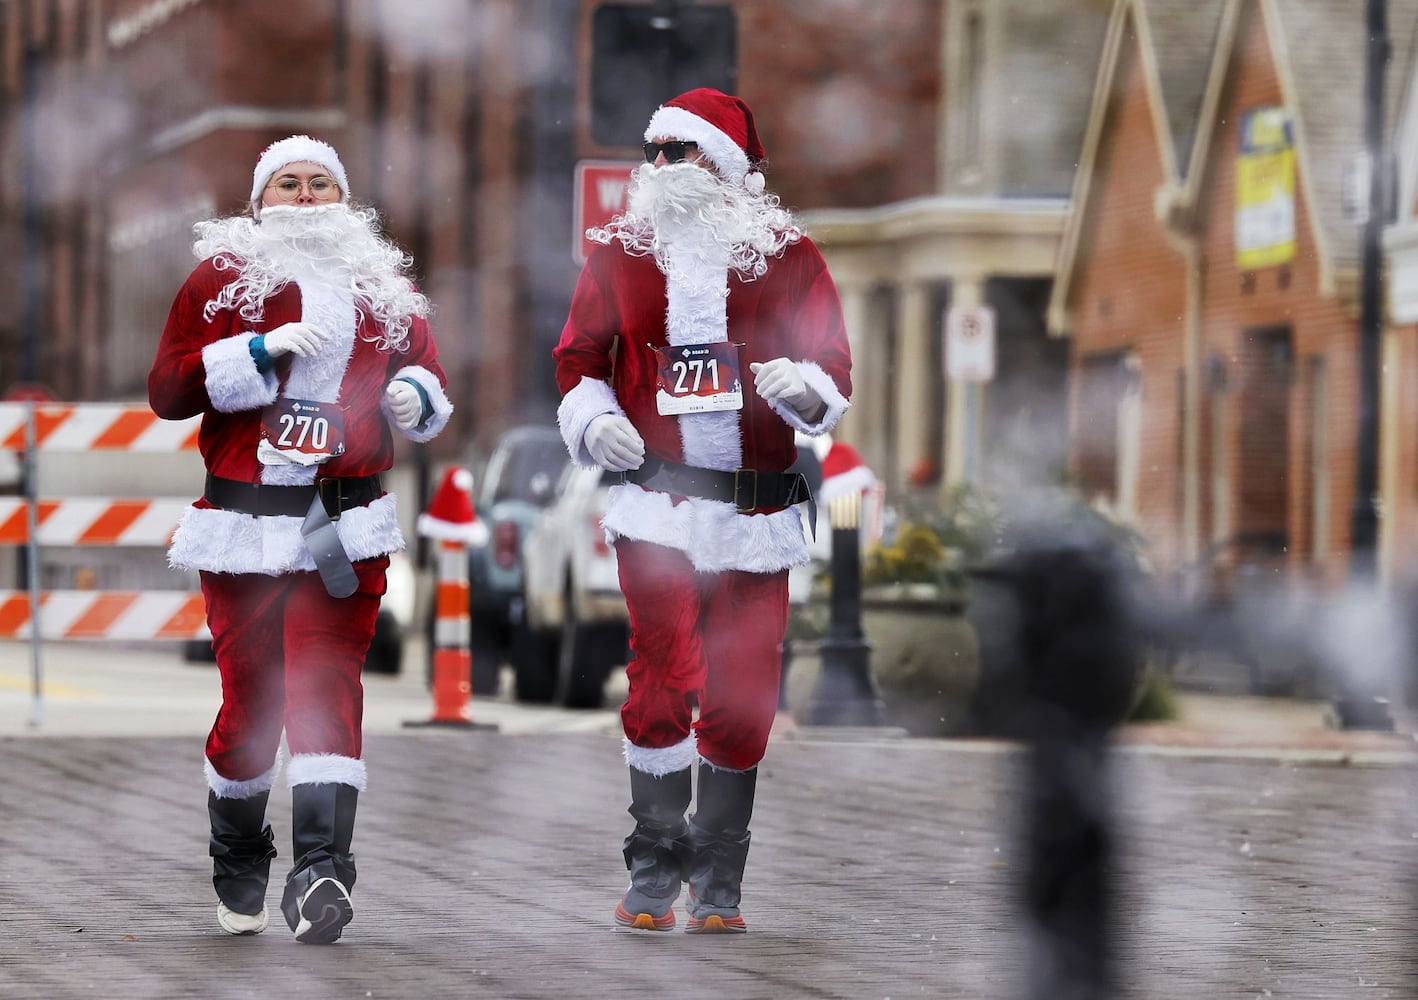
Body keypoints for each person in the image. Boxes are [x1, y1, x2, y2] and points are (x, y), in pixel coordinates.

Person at [553, 88, 852, 933]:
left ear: (725, 164)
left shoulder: (788, 257)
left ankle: (719, 876)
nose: (661, 168)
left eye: (681, 152)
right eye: (654, 152)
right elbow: (577, 358)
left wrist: (809, 388)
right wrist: (596, 418)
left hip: (756, 517)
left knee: (743, 698)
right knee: (662, 677)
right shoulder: (619, 253)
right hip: (659, 509)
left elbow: (833, 361)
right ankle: (654, 863)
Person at [148, 134, 453, 943]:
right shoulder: (220, 281)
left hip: (344, 526)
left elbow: (425, 370)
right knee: (252, 708)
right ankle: (240, 852)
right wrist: (253, 351)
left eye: (323, 183)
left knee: (326, 689)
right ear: (260, 201)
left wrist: (417, 399)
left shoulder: (382, 288)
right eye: (291, 183)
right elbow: (168, 390)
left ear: (344, 199)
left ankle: (323, 873)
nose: (309, 196)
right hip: (245, 528)